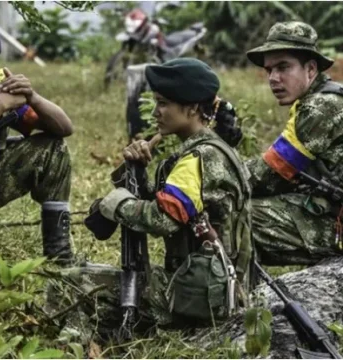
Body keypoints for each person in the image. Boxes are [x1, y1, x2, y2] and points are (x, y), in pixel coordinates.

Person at [47, 58, 252, 336]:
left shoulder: (200, 158)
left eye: (163, 103)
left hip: (201, 298)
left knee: (69, 282)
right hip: (208, 287)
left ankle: (69, 350)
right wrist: (139, 174)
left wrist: (117, 205)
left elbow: (163, 219)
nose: (155, 112)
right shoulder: (213, 150)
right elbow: (176, 209)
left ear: (192, 108)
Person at [245, 21, 343, 266]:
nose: (273, 78)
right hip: (331, 212)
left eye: (283, 67)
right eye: (269, 70)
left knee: (233, 215)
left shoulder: (322, 106)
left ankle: (236, 301)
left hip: (335, 224)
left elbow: (271, 174)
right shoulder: (319, 99)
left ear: (311, 69)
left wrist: (209, 181)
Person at [0, 14, 76, 265]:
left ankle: (59, 257)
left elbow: (64, 127)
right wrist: (0, 104)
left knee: (52, 148)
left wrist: (32, 96)